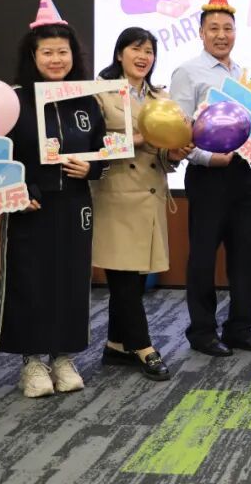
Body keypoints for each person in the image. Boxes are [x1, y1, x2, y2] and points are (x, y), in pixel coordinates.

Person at [0, 0, 107, 398]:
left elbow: (104, 150)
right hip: (30, 206)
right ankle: (32, 362)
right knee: (30, 280)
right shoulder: (13, 100)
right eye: (48, 52)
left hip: (75, 205)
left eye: (63, 52)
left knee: (71, 280)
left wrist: (92, 168)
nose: (56, 59)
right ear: (33, 56)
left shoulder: (87, 101)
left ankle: (63, 356)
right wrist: (18, 188)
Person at [170, 0, 251, 357]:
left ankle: (241, 327)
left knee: (247, 255)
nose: (221, 35)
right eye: (213, 28)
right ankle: (202, 331)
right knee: (202, 257)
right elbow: (179, 132)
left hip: (242, 176)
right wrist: (208, 157)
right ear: (200, 33)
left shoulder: (241, 74)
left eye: (227, 28)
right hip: (207, 176)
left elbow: (248, 126)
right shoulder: (188, 72)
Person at [93, 27, 191, 381]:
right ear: (120, 53)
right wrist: (140, 137)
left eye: (149, 51)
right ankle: (143, 346)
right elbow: (93, 145)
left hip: (150, 195)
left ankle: (116, 344)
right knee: (122, 276)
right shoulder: (100, 93)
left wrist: (174, 153)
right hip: (116, 194)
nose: (143, 57)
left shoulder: (161, 97)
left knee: (134, 278)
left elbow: (161, 151)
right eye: (136, 49)